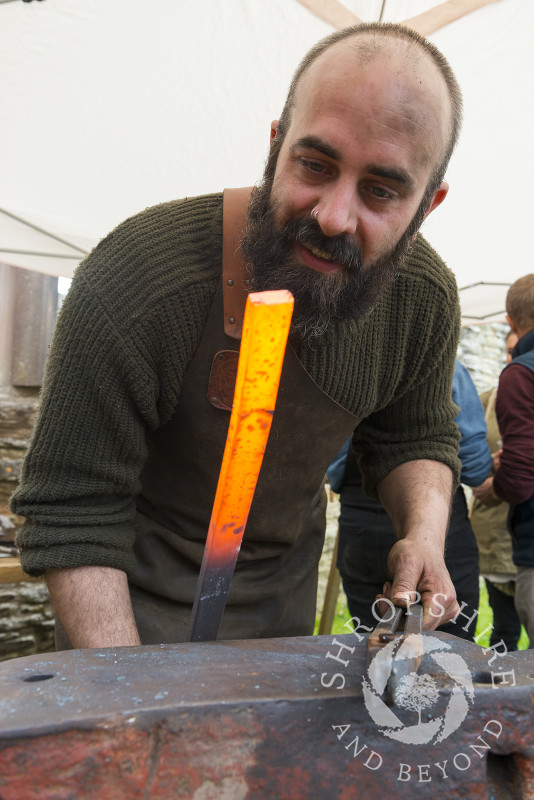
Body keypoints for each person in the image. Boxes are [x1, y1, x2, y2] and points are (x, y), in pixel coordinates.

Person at [11, 23, 464, 649]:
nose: (332, 216)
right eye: (314, 164)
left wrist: (423, 533)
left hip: (280, 614)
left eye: (381, 190)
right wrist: (128, 693)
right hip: (119, 612)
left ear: (427, 206)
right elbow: (75, 505)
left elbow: (414, 436)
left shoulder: (422, 300)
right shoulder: (139, 275)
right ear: (275, 146)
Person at [329, 361, 492, 641]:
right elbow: (475, 465)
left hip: (363, 524)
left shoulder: (345, 367)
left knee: (367, 644)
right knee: (447, 650)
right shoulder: (446, 365)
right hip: (439, 524)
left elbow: (334, 459)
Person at [473, 277, 534, 646]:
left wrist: (496, 485)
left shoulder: (522, 375)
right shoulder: (486, 396)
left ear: (510, 320)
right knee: (505, 628)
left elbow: (519, 478)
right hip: (500, 544)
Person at [469, 330, 522, 651]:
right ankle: (506, 700)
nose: (510, 357)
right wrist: (492, 464)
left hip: (525, 527)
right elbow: (466, 455)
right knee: (505, 629)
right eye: (507, 350)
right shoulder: (488, 400)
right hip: (494, 534)